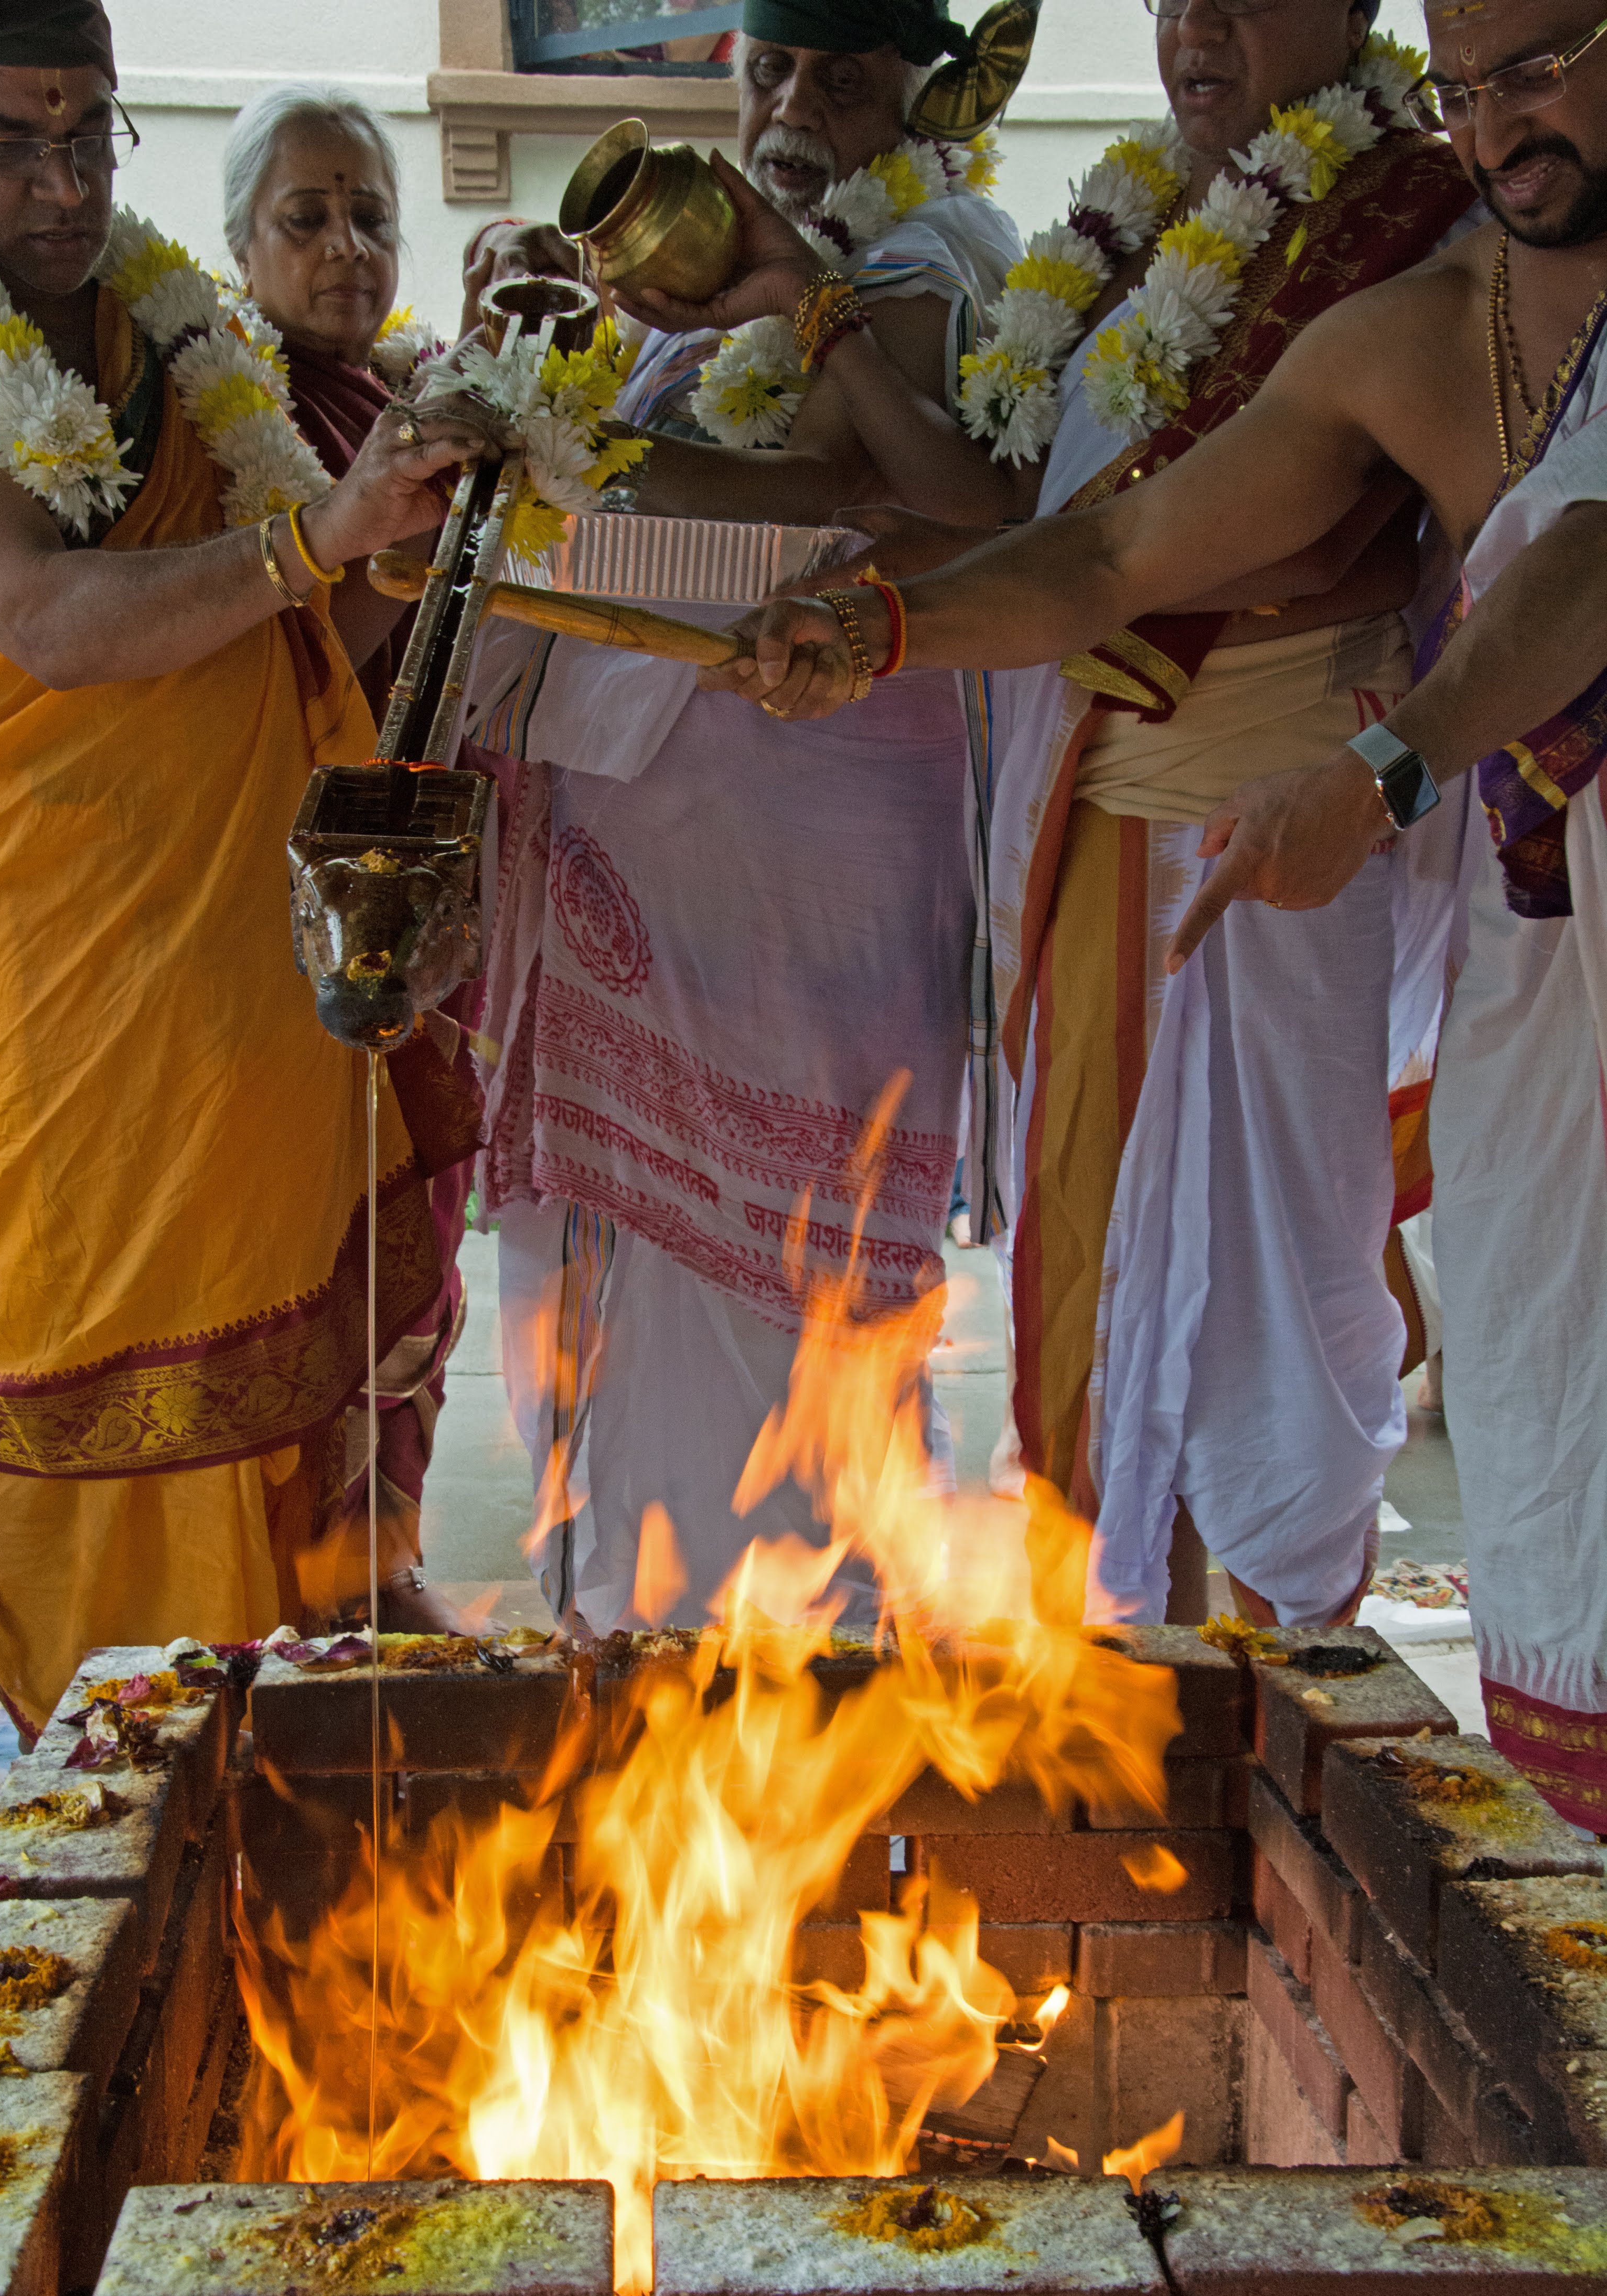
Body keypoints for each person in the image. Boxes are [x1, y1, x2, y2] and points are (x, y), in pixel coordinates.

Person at [707, 0, 1607, 1812]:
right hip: (1544, 946)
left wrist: (1380, 772)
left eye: (1537, 69)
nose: (1496, 127)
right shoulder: (1416, 327)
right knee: (1554, 1415)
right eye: (1464, 88)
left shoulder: (1401, 238)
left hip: (1432, 821)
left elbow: (1586, 560)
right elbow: (1119, 550)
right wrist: (878, 627)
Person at [0, 0, 493, 1732]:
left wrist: (431, 515)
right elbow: (51, 621)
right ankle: (140, 1784)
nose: (66, 180)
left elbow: (302, 622)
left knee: (306, 1371)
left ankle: (300, 1785)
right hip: (65, 992)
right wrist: (318, 534)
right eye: (13, 140)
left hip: (258, 970)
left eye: (92, 130)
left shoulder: (173, 337)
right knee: (101, 1362)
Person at [468, 0, 1022, 1633]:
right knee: (613, 1285)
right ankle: (628, 1657)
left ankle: (802, 1670)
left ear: (926, 99)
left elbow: (889, 502)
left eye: (841, 81)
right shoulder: (702, 274)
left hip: (807, 871)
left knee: (793, 1291)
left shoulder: (930, 261)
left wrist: (573, 455)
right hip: (644, 855)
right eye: (769, 69)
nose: (790, 108)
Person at [224, 82, 478, 1636]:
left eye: (370, 216)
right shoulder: (224, 417)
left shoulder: (409, 395)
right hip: (308, 894)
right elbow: (295, 656)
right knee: (329, 1237)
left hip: (435, 861)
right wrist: (408, 540)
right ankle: (310, 1582)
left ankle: (382, 1558)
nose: (344, 248)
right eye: (304, 219)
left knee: (420, 1240)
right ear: (239, 246)